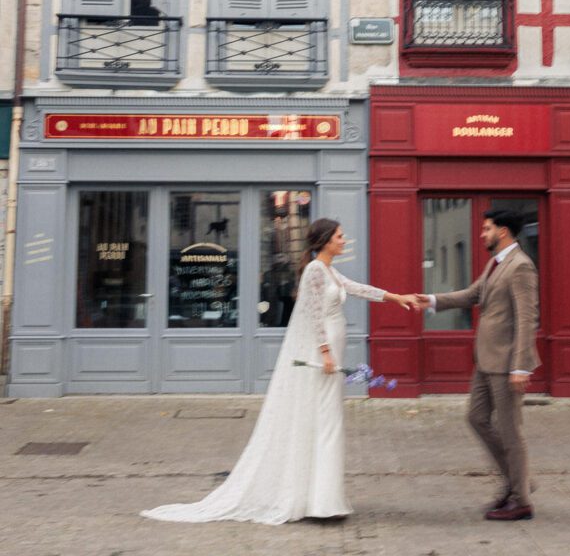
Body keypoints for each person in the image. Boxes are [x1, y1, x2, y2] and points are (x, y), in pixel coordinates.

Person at [142, 218, 417, 525]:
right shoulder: (315, 270)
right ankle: (322, 502)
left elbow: (356, 288)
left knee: (327, 422)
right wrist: (324, 351)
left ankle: (321, 498)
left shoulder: (328, 270)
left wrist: (395, 297)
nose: (344, 240)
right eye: (340, 236)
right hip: (322, 357)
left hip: (331, 354)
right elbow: (313, 313)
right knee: (326, 423)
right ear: (326, 240)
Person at [416, 208, 540, 522]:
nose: (482, 234)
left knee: (511, 431)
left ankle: (521, 499)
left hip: (507, 363)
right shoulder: (495, 264)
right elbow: (473, 294)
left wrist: (521, 366)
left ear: (502, 231)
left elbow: (527, 319)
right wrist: (430, 300)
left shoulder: (521, 267)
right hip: (485, 360)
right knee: (476, 418)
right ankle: (517, 479)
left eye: (486, 229)